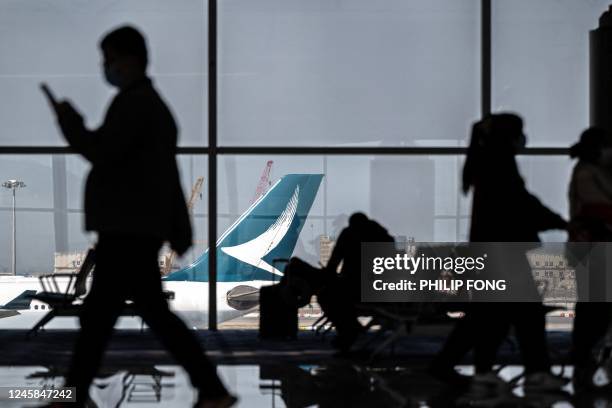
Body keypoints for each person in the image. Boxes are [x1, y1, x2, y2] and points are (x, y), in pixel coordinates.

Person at [48, 26, 236, 408]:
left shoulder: (135, 105)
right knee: (132, 315)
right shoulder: (150, 105)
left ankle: (72, 395)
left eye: (109, 59)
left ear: (128, 59)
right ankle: (212, 390)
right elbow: (165, 173)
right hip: (137, 227)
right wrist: (177, 227)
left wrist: (70, 124)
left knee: (102, 320)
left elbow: (103, 153)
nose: (106, 67)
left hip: (127, 228)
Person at [430, 114, 568, 394]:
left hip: (494, 251)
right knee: (523, 315)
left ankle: (474, 370)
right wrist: (559, 221)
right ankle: (534, 373)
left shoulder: (487, 161)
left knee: (490, 317)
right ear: (511, 136)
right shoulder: (500, 163)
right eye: (521, 133)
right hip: (507, 252)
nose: (524, 138)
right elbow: (521, 206)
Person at [568, 127, 612, 392]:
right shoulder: (587, 173)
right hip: (593, 248)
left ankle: (583, 357)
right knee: (594, 309)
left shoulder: (590, 172)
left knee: (594, 308)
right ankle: (582, 358)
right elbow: (600, 209)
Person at [319, 213, 394, 350]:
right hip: (380, 291)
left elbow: (334, 262)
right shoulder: (383, 235)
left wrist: (329, 275)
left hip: (353, 289)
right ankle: (352, 328)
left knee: (326, 296)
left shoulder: (348, 234)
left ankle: (349, 330)